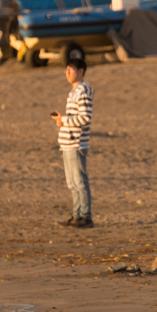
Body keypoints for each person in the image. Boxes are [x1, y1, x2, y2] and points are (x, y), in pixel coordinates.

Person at [52, 57, 94, 228]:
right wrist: (62, 121)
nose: (67, 73)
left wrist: (65, 120)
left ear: (81, 71)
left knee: (79, 182)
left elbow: (85, 118)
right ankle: (77, 215)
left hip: (76, 143)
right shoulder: (74, 91)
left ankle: (86, 216)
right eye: (66, 70)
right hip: (68, 143)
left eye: (71, 70)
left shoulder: (83, 90)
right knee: (72, 183)